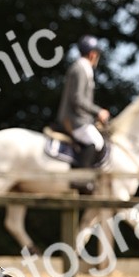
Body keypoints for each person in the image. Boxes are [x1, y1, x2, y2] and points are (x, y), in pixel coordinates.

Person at [56, 35, 111, 194]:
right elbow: (77, 99)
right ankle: (80, 180)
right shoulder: (80, 68)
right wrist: (98, 111)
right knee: (96, 141)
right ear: (93, 54)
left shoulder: (83, 69)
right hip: (73, 120)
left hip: (81, 118)